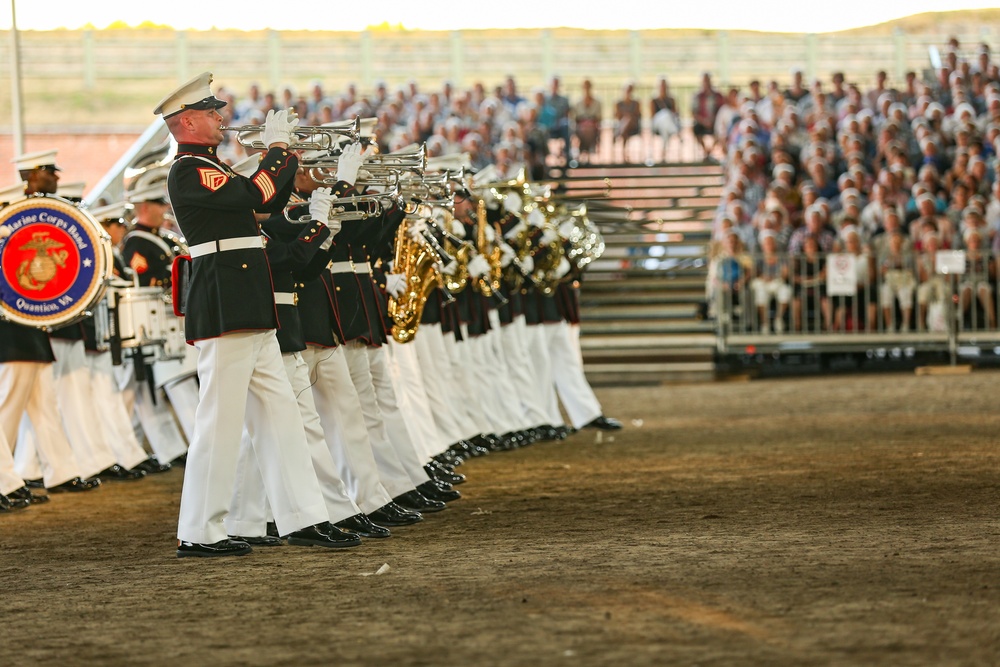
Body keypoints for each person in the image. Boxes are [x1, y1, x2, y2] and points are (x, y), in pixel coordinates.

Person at [155, 71, 360, 557]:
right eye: (211, 113)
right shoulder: (188, 169)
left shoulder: (214, 166)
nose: (221, 118)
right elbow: (255, 196)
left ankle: (304, 517)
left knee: (281, 416)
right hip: (226, 302)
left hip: (247, 300)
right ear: (186, 122)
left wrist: (288, 162)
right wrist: (276, 152)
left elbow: (265, 204)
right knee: (220, 421)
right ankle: (200, 531)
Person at [692, 72, 725, 161]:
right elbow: (694, 112)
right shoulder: (697, 96)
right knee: (695, 129)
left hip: (715, 121)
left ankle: (709, 152)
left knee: (721, 130)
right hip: (702, 122)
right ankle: (705, 151)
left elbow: (722, 109)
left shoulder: (718, 95)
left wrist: (713, 120)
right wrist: (703, 121)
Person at [650, 76, 680, 163]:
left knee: (666, 124)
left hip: (667, 124)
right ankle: (674, 131)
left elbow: (675, 113)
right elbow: (653, 116)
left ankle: (664, 150)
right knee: (665, 114)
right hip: (657, 124)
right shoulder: (654, 100)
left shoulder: (671, 99)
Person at [572, 79, 602, 164]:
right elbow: (575, 118)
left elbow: (599, 118)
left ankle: (584, 151)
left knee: (588, 129)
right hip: (581, 127)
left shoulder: (597, 102)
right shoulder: (578, 102)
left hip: (593, 127)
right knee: (584, 129)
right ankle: (586, 151)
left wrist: (590, 122)